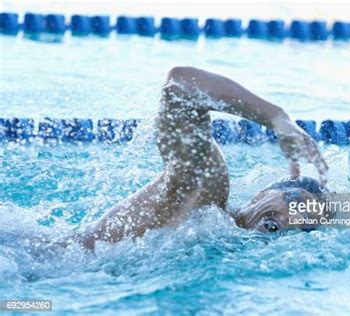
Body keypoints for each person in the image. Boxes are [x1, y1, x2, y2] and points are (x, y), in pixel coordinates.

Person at [74, 67, 329, 250]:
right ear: (260, 194)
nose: (293, 217)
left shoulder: (222, 240)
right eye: (295, 201)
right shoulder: (205, 194)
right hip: (48, 260)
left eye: (305, 224)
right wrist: (277, 118)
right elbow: (181, 85)